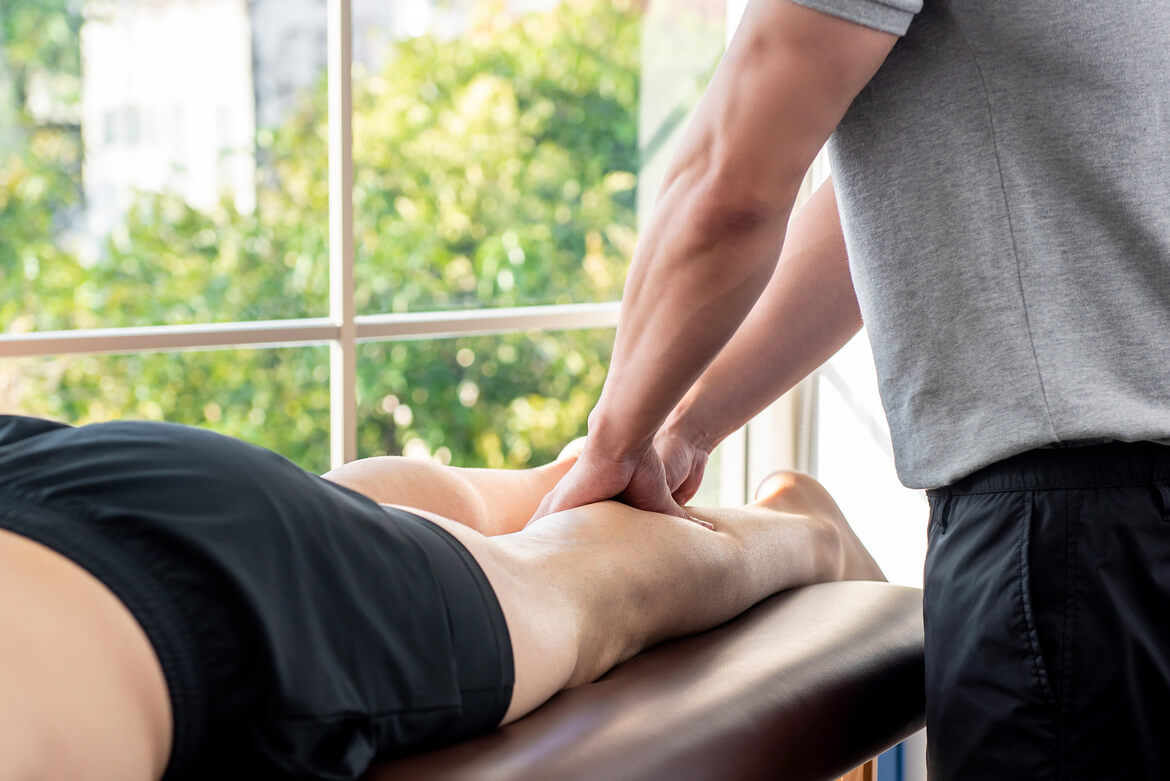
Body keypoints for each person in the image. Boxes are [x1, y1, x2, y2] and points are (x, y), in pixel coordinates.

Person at [533, 0, 1170, 778]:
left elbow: (727, 183)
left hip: (1075, 545)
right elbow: (880, 211)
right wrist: (681, 430)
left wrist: (610, 443)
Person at [0, 413, 882, 781]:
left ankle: (804, 526)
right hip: (68, 482)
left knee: (571, 588)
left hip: (195, 587)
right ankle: (554, 476)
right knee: (344, 509)